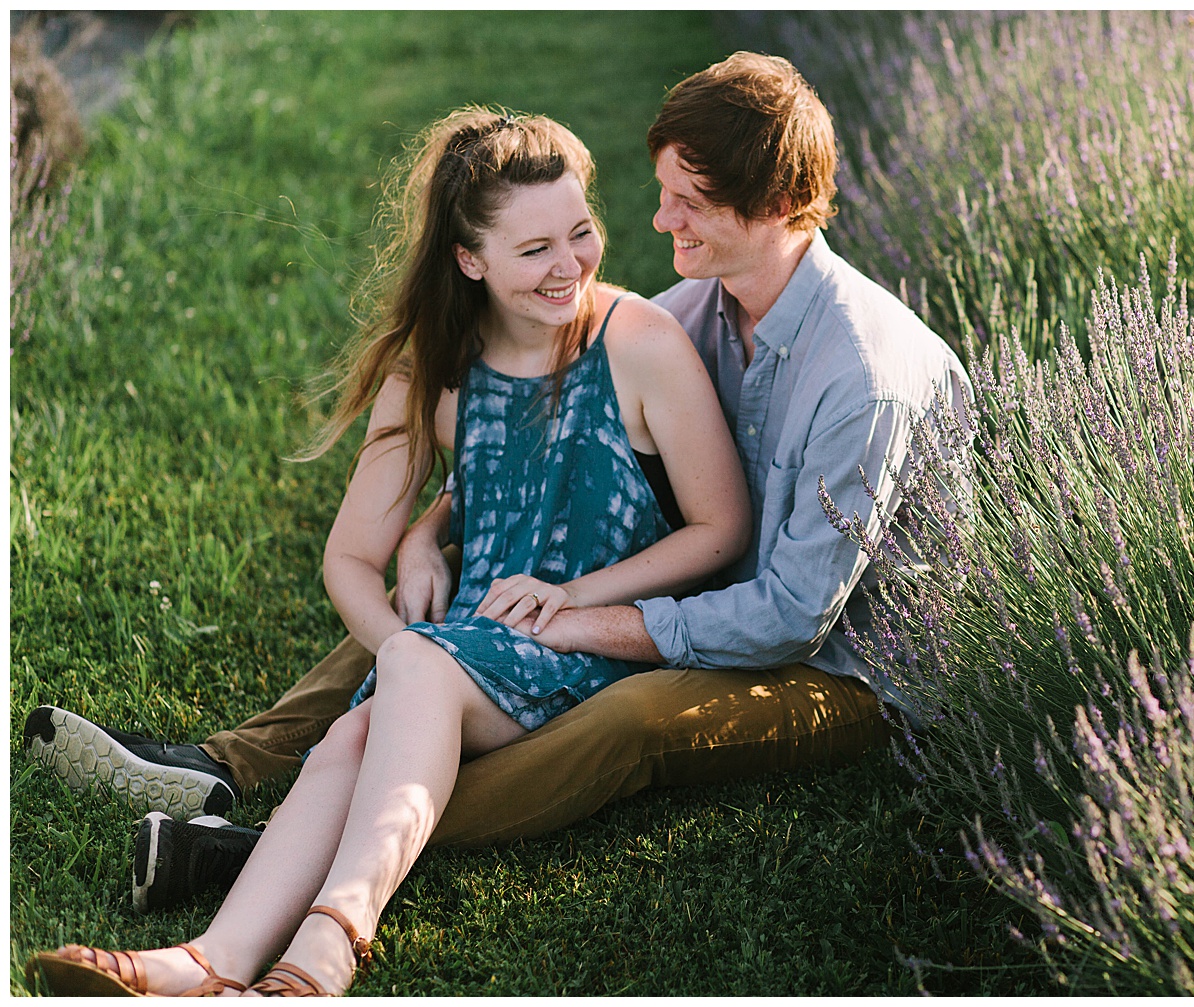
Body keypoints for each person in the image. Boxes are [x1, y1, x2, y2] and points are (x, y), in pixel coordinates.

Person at [26, 51, 972, 926]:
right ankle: (217, 765)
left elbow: (789, 616)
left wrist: (576, 618)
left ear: (771, 206)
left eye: (688, 203)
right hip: (715, 595)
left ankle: (265, 854)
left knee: (628, 720)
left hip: (845, 666)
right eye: (660, 194)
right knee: (430, 635)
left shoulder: (862, 375)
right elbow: (567, 442)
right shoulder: (700, 309)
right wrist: (429, 530)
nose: (658, 224)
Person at [25, 107, 751, 996]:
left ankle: (316, 952)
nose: (569, 266)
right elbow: (348, 561)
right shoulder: (436, 369)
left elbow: (721, 530)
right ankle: (211, 963)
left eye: (580, 232)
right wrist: (404, 643)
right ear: (468, 259)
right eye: (534, 252)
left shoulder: (638, 343)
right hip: (462, 658)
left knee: (376, 711)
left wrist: (577, 597)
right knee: (351, 735)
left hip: (590, 652)